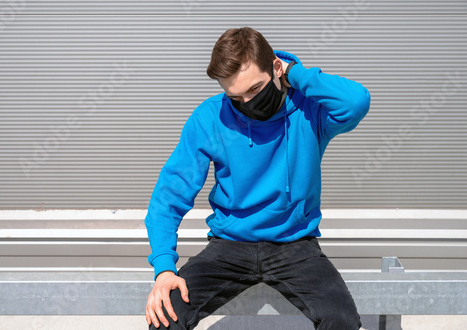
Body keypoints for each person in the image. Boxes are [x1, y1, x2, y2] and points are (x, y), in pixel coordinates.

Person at [144, 27, 370, 330]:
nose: (247, 103)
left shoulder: (309, 111)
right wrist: (164, 269)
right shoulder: (211, 117)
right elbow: (169, 197)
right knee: (165, 318)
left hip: (296, 246)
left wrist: (295, 73)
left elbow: (356, 102)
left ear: (276, 68)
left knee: (341, 320)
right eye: (235, 96)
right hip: (228, 246)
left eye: (255, 90)